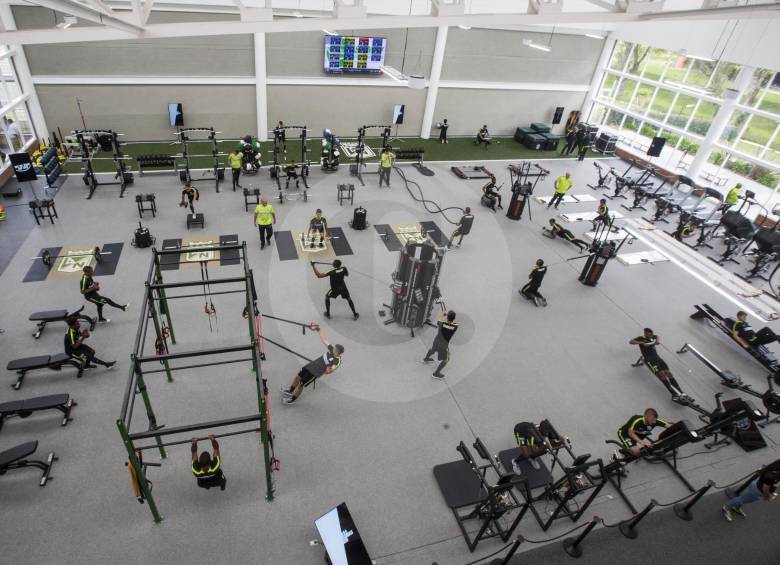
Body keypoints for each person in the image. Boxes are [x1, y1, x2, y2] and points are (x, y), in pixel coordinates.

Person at [281, 328, 343, 404]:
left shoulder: (337, 361)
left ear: (337, 352)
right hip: (312, 365)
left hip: (315, 372)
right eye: (334, 348)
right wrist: (319, 330)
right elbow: (324, 340)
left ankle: (292, 399)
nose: (333, 348)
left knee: (301, 384)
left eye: (335, 349)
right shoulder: (332, 350)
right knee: (298, 376)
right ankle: (290, 390)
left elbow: (331, 370)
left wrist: (328, 370)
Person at [630, 328, 687, 401]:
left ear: (651, 334)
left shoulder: (654, 337)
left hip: (658, 359)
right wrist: (641, 343)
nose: (646, 335)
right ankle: (673, 394)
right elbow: (631, 341)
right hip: (649, 361)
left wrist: (656, 341)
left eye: (648, 334)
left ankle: (681, 392)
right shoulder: (641, 338)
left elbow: (657, 339)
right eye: (645, 333)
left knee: (668, 373)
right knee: (662, 374)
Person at [423, 309, 458, 380]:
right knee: (446, 359)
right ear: (453, 318)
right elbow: (452, 323)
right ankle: (436, 374)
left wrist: (443, 314)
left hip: (436, 341)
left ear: (447, 317)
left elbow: (438, 319)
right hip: (444, 346)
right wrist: (448, 316)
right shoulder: (455, 326)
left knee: (433, 350)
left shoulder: (441, 324)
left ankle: (426, 359)